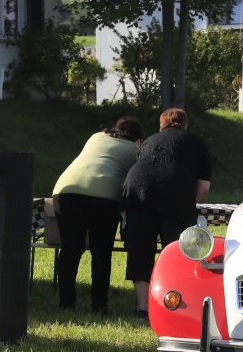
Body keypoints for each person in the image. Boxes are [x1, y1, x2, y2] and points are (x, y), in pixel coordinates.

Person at [121, 108, 212, 318]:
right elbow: (203, 188)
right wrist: (186, 203)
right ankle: (173, 303)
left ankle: (142, 307)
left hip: (137, 193)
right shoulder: (196, 141)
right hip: (175, 195)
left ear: (161, 125)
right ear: (185, 124)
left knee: (140, 250)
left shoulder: (149, 141)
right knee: (175, 251)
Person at [52, 116, 143, 313]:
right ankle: (99, 304)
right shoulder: (134, 149)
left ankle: (66, 303)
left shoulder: (96, 137)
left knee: (70, 249)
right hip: (104, 196)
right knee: (101, 252)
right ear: (137, 139)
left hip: (65, 190)